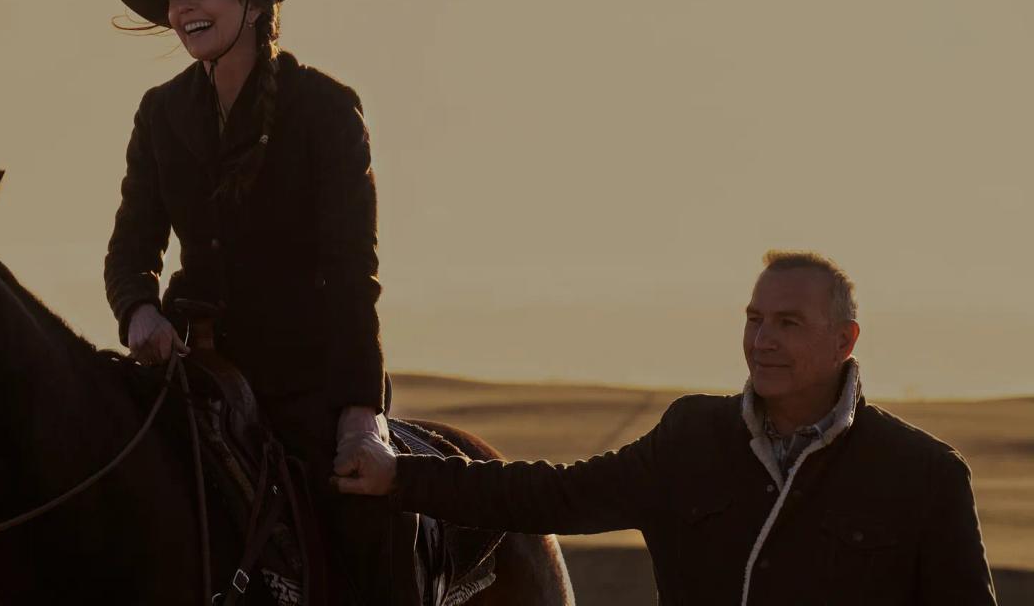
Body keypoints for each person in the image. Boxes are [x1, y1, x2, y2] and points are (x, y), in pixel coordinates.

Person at [334, 250, 998, 605]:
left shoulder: (923, 476)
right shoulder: (694, 438)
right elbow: (554, 496)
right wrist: (401, 477)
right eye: (754, 320)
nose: (762, 340)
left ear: (844, 340)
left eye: (788, 323)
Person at [105, 0, 398, 604]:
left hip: (305, 378)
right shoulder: (160, 112)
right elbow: (132, 246)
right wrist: (139, 310)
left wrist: (360, 408)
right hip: (189, 370)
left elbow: (352, 271)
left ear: (257, 0)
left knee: (368, 523)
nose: (184, 6)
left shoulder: (325, 109)